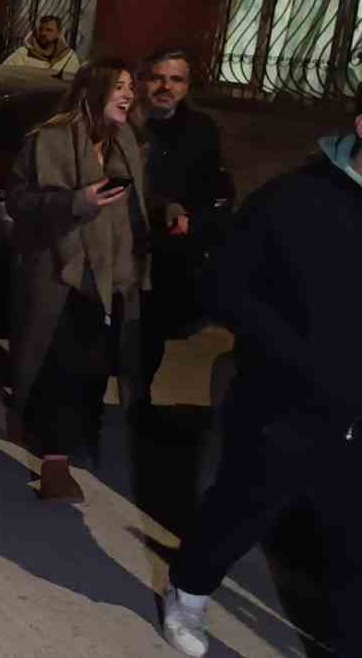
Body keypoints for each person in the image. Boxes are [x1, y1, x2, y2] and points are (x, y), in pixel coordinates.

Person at [159, 89, 362, 658]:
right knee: (244, 508)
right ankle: (189, 591)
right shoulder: (294, 197)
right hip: (284, 400)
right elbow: (224, 285)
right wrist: (294, 353)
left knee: (354, 548)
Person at [6, 60, 148, 503]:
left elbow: (133, 205)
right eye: (119, 87)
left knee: (93, 366)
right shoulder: (49, 138)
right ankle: (55, 463)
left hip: (111, 275)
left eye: (130, 87)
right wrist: (74, 202)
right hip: (60, 272)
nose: (128, 95)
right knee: (59, 366)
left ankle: (63, 444)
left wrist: (164, 211)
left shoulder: (126, 141)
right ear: (93, 90)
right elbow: (19, 200)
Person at [137, 49, 226, 416]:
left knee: (151, 332)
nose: (166, 87)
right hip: (120, 242)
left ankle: (138, 401)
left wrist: (196, 225)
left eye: (176, 80)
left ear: (187, 87)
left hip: (169, 250)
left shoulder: (201, 130)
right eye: (158, 78)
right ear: (144, 81)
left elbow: (213, 188)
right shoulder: (125, 121)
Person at [4, 14, 83, 77]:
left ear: (58, 33)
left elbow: (74, 83)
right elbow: (4, 73)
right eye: (41, 29)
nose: (43, 33)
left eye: (49, 30)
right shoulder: (23, 53)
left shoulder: (68, 57)